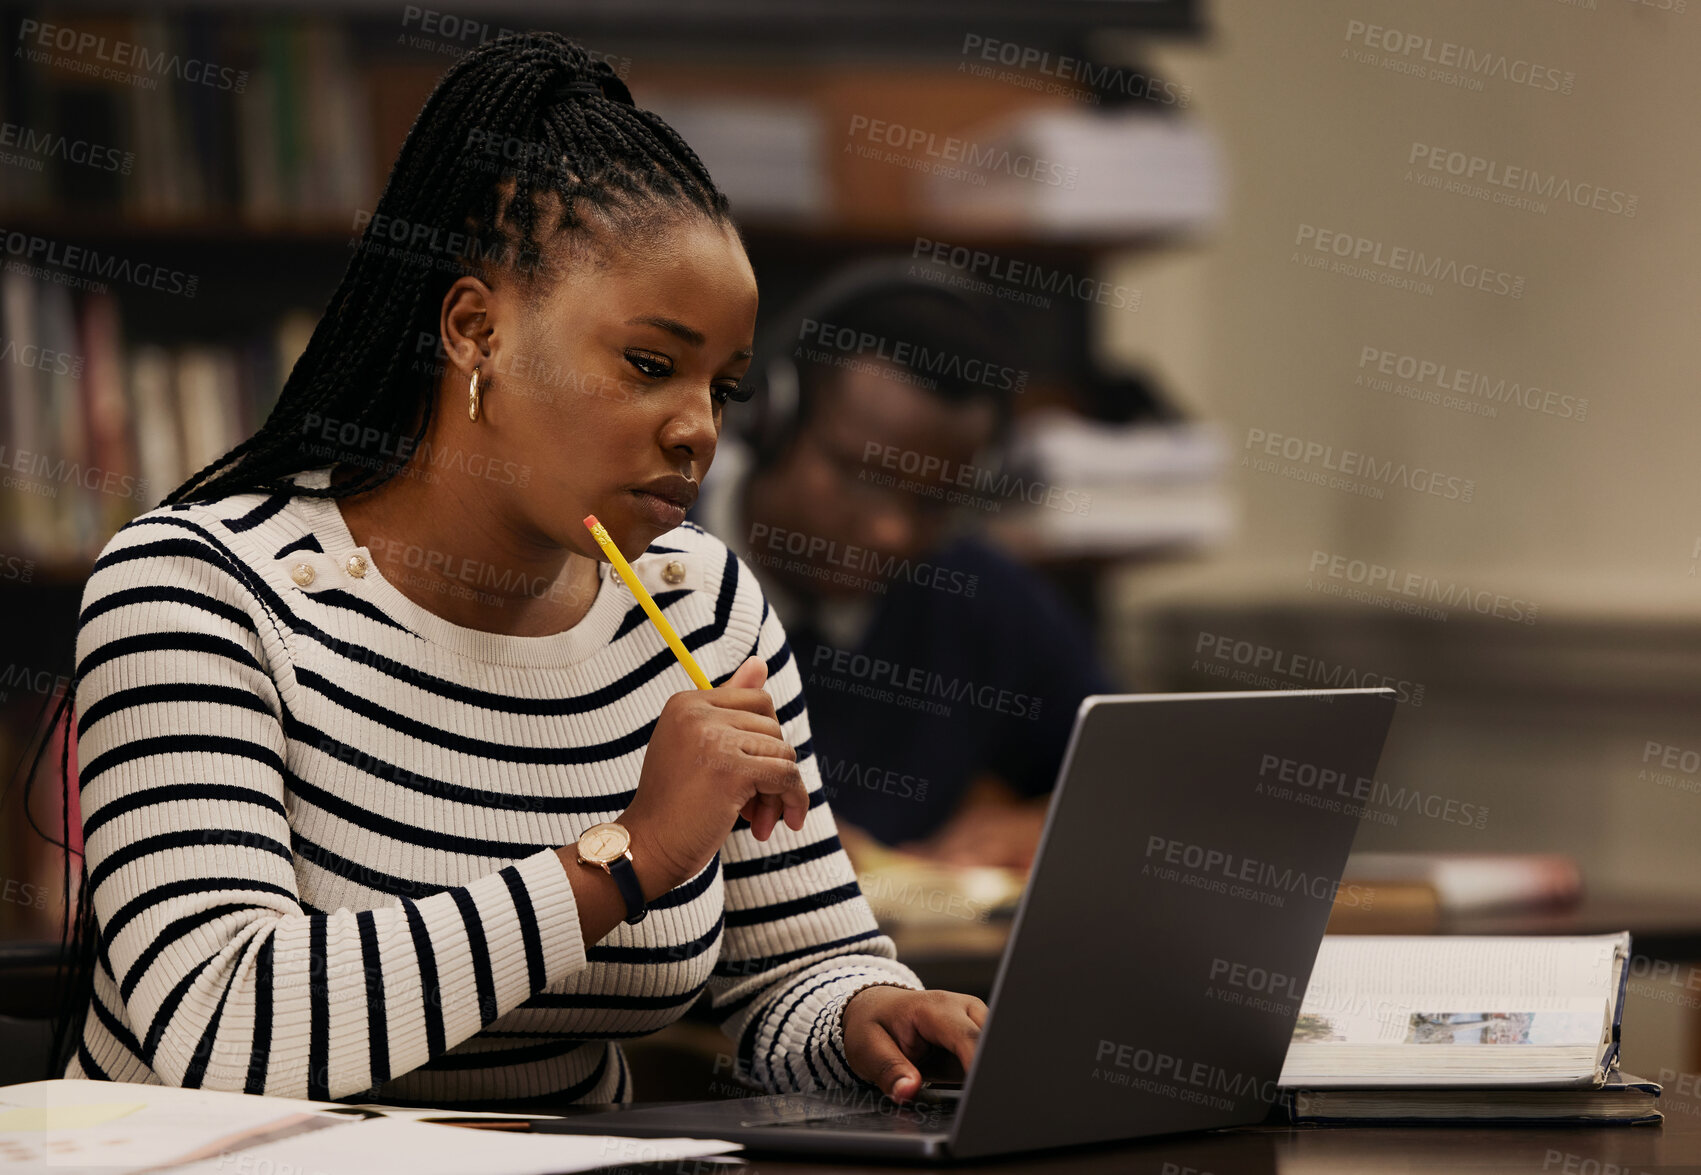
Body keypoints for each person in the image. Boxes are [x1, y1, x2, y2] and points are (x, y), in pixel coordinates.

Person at [48, 34, 984, 1109]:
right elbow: (217, 1033)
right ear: (476, 329)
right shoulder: (195, 592)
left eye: (724, 387)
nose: (696, 429)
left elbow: (794, 970)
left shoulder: (701, 603)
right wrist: (624, 858)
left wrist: (870, 1013)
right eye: (648, 364)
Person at [692, 263, 1116, 870]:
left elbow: (1137, 774)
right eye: (864, 477)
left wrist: (1045, 827)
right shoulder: (644, 561)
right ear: (770, 421)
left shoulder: (974, 592)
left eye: (935, 501)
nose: (893, 531)